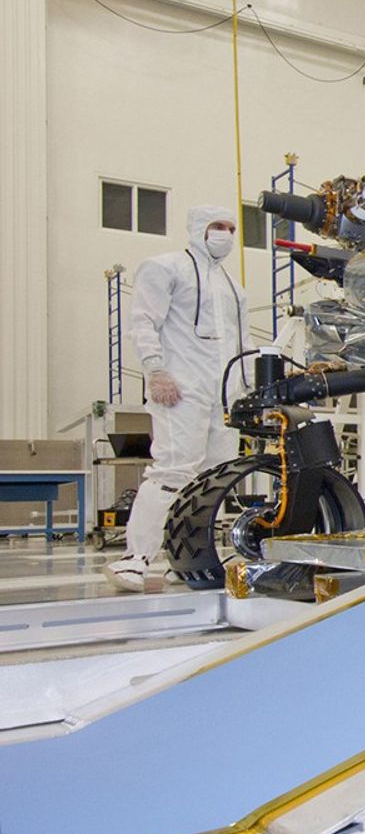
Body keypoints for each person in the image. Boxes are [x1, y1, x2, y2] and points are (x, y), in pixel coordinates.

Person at [105, 206, 249, 591]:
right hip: (181, 387)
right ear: (199, 228)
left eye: (232, 228)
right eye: (218, 227)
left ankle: (185, 559)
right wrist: (155, 370)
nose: (226, 234)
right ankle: (134, 558)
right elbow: (143, 321)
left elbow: (242, 343)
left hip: (222, 395)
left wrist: (246, 388)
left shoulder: (233, 288)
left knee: (213, 479)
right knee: (172, 470)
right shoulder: (165, 267)